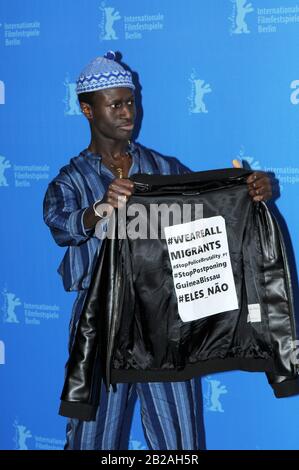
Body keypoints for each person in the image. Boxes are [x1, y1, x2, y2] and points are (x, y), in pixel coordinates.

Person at [43, 51, 272, 450]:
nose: (126, 111)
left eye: (130, 101)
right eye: (114, 104)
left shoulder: (165, 168)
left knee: (179, 442)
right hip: (103, 321)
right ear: (87, 110)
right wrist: (100, 209)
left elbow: (211, 210)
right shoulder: (73, 178)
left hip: (166, 320)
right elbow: (62, 224)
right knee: (92, 439)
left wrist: (250, 192)